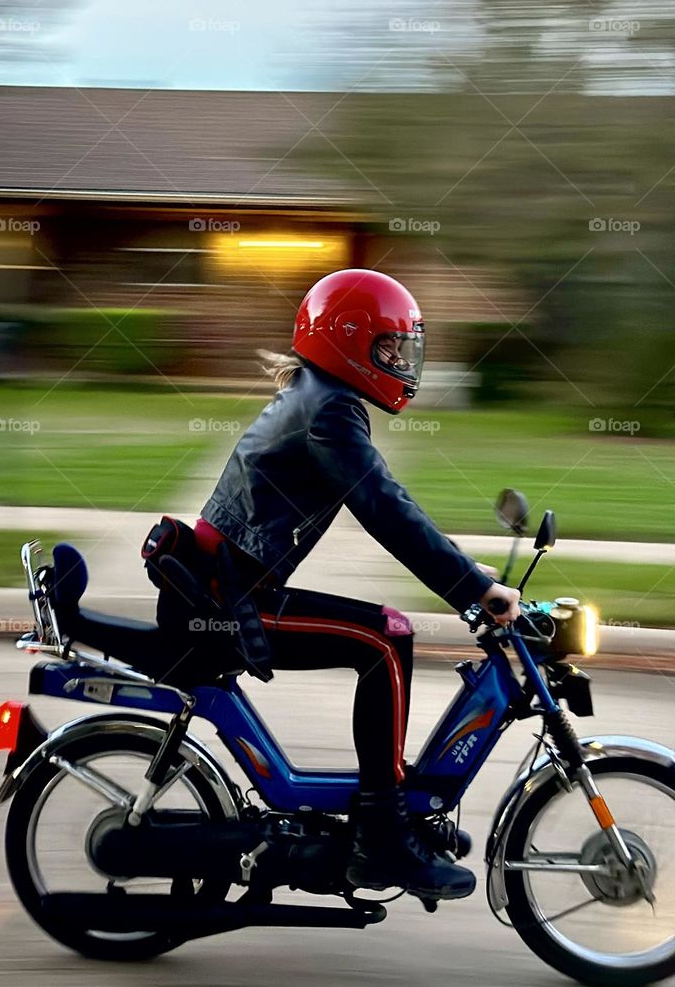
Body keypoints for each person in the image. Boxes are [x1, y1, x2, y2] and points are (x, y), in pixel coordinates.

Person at [192, 269, 521, 900]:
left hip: (229, 590)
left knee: (383, 634)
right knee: (382, 640)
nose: (400, 361)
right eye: (389, 347)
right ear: (348, 342)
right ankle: (382, 838)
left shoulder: (321, 396)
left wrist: (465, 573)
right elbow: (383, 508)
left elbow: (390, 502)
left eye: (402, 348)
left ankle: (392, 816)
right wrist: (472, 591)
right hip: (230, 604)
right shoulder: (329, 411)